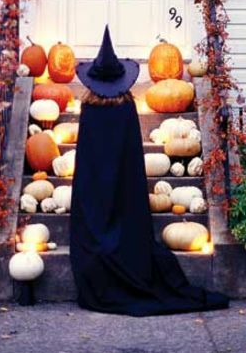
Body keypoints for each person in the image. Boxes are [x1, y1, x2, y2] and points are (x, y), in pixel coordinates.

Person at [69, 25, 230, 316]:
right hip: (125, 193)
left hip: (93, 197)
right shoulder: (126, 109)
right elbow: (130, 159)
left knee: (96, 233)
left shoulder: (90, 112)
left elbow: (86, 164)